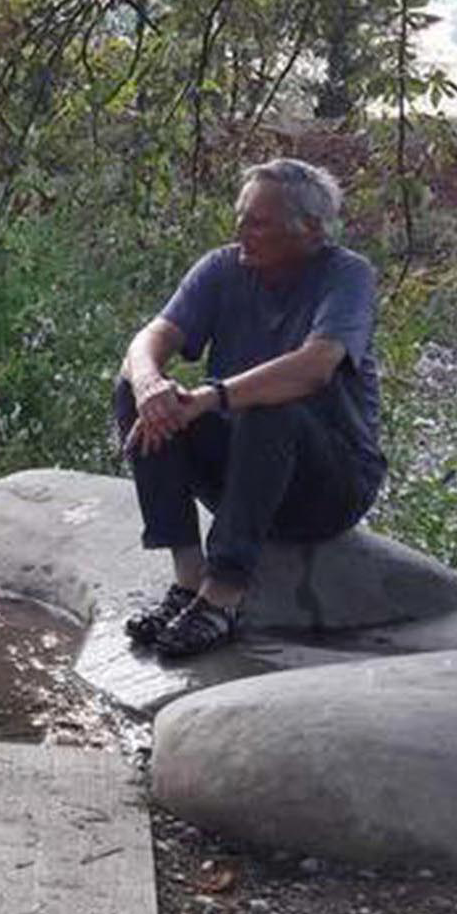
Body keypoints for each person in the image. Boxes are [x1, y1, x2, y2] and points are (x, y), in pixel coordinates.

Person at [112, 158, 386, 659]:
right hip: (244, 469)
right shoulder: (222, 267)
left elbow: (315, 367)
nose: (242, 230)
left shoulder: (348, 276)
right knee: (136, 390)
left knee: (270, 408)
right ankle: (189, 582)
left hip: (329, 483)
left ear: (310, 230)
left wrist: (209, 398)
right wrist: (153, 385)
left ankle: (223, 598)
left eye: (257, 222)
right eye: (240, 216)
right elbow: (149, 340)